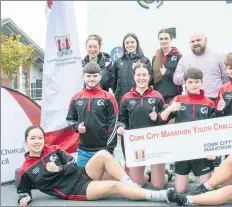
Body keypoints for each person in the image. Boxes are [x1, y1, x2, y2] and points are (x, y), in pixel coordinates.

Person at [17, 125, 173, 206]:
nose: (37, 141)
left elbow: (72, 163)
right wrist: (24, 199)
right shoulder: (25, 170)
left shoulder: (53, 150)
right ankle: (161, 195)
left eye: (40, 137)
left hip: (82, 174)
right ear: (26, 141)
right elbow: (23, 190)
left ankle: (133, 186)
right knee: (115, 186)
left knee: (103, 154)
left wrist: (59, 168)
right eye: (33, 138)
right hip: (74, 190)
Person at [173, 31, 228, 168]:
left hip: (214, 99)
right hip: (192, 101)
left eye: (198, 40)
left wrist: (224, 98)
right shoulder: (184, 59)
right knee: (195, 134)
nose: (196, 43)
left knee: (214, 133)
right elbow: (176, 79)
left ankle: (214, 164)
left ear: (205, 40)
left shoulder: (218, 57)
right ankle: (193, 164)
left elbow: (226, 78)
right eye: (192, 41)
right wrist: (188, 75)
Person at [159, 67, 217, 193]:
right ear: (185, 83)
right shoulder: (178, 99)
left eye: (197, 82)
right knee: (180, 190)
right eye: (190, 82)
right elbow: (162, 118)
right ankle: (170, 174)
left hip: (202, 151)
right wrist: (170, 109)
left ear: (202, 82)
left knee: (205, 190)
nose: (194, 85)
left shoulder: (209, 103)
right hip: (183, 149)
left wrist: (211, 149)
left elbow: (214, 130)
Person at [116, 62, 172, 189]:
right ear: (134, 76)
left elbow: (164, 120)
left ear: (149, 77)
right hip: (136, 144)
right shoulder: (126, 98)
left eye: (144, 75)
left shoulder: (157, 96)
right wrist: (121, 127)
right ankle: (147, 175)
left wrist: (156, 117)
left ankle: (166, 174)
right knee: (137, 184)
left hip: (154, 142)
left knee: (158, 185)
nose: (141, 78)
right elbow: (122, 120)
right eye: (138, 75)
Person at [66, 63, 118, 178]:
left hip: (103, 150)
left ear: (100, 76)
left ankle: (119, 170)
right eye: (88, 76)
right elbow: (70, 119)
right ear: (83, 76)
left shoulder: (108, 97)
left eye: (94, 76)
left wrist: (108, 149)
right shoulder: (76, 98)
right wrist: (77, 126)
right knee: (83, 183)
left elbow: (113, 125)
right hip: (83, 150)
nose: (91, 79)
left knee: (107, 186)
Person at [112, 33, 152, 104]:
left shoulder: (145, 60)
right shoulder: (118, 61)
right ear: (124, 45)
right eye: (127, 43)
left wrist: (139, 69)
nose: (130, 45)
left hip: (139, 100)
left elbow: (150, 81)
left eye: (132, 42)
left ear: (137, 44)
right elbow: (114, 82)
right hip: (121, 100)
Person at [152, 28, 183, 104]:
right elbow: (152, 77)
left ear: (171, 39)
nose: (163, 41)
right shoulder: (155, 57)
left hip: (173, 96)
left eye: (166, 38)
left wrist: (167, 73)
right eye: (161, 39)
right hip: (158, 96)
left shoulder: (178, 56)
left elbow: (182, 78)